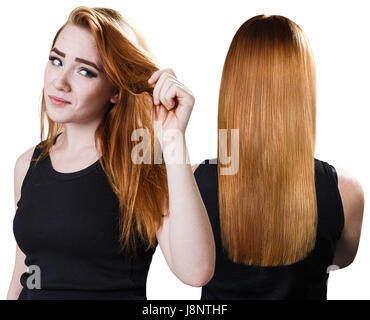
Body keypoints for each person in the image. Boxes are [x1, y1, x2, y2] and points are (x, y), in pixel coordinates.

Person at [7, 6, 215, 300]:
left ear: (115, 91)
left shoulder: (143, 164)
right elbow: (24, 272)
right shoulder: (27, 164)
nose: (59, 81)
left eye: (84, 71)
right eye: (56, 60)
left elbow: (196, 272)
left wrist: (173, 140)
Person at [192, 15, 364, 300]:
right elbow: (337, 260)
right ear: (304, 89)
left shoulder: (192, 183)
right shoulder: (346, 192)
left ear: (232, 86)